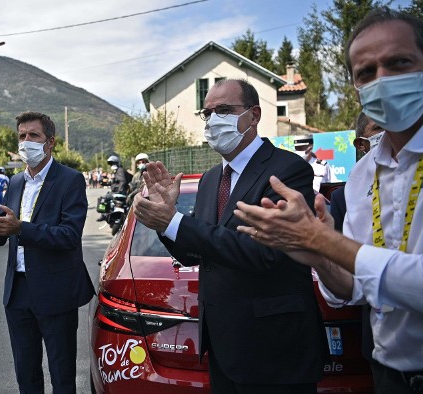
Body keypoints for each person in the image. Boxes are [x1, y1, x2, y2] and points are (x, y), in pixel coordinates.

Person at [233, 9, 423, 393]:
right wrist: (318, 254)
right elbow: (352, 288)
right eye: (366, 73)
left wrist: (326, 242)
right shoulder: (363, 174)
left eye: (399, 63)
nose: (381, 80)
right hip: (388, 375)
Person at [133, 78, 327, 393]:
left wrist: (175, 222)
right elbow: (194, 252)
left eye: (223, 110)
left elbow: (264, 253)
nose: (212, 120)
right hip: (223, 348)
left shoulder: (287, 171)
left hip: (274, 350)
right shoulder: (211, 179)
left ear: (254, 115)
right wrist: (163, 222)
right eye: (207, 113)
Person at [0, 111, 94, 393]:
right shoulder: (15, 182)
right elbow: (2, 236)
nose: (26, 141)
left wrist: (21, 227)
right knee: (26, 373)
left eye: (34, 135)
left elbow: (69, 236)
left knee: (62, 375)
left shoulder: (70, 180)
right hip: (18, 292)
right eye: (22, 136)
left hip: (56, 291)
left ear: (50, 142)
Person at [330, 112, 384, 231]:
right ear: (361, 144)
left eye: (390, 126)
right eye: (378, 128)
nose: (387, 134)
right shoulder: (342, 198)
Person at [96, 155, 131, 222]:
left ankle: (103, 215)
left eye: (113, 163)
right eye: (111, 164)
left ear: (117, 163)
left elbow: (123, 181)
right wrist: (105, 183)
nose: (112, 165)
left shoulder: (120, 170)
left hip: (119, 193)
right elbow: (115, 182)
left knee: (103, 198)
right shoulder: (118, 171)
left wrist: (119, 191)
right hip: (119, 192)